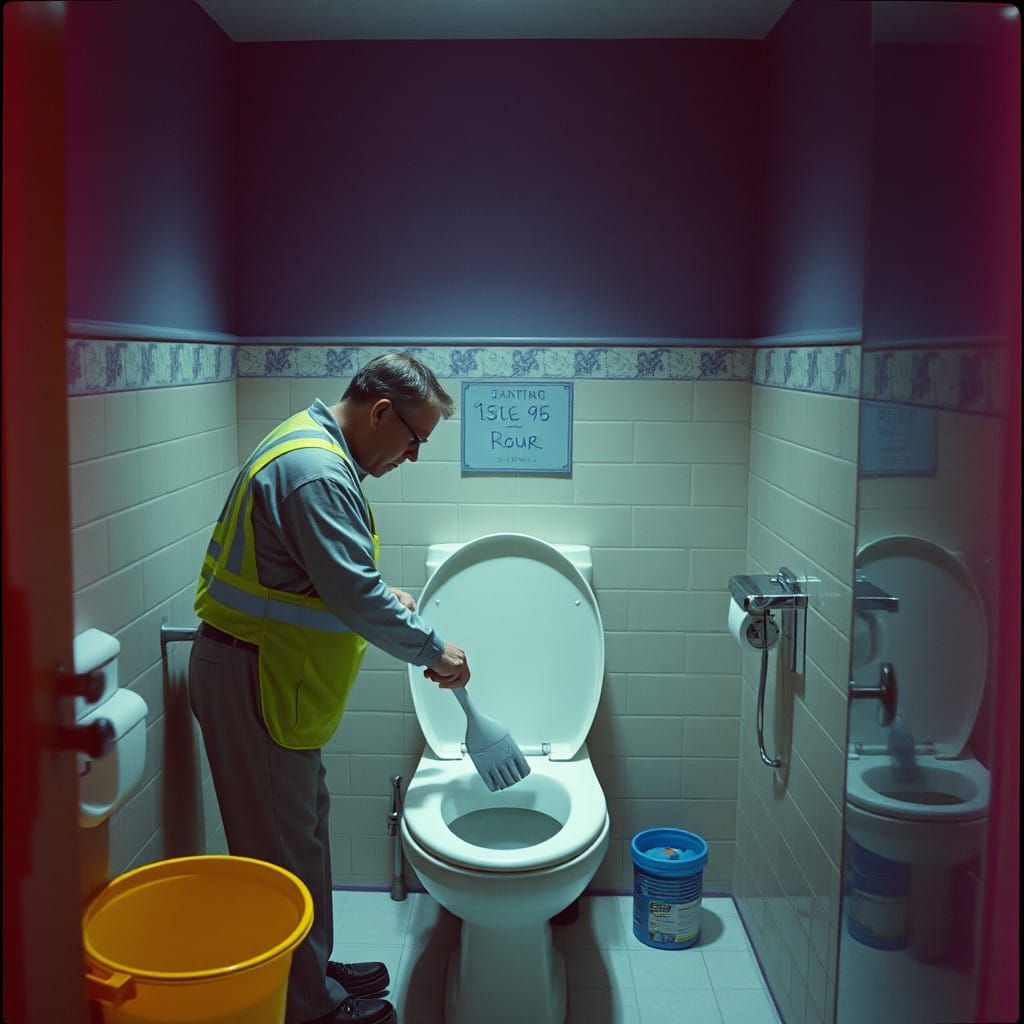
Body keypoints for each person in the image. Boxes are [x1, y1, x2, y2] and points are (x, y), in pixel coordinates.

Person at [188, 352, 470, 1024]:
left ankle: (310, 970)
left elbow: (320, 578)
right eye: (414, 439)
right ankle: (306, 1008)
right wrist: (434, 650)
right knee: (279, 855)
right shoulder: (315, 472)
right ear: (381, 412)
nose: (413, 456)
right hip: (252, 678)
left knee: (304, 834)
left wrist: (380, 598)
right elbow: (355, 595)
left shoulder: (315, 449)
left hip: (272, 677)